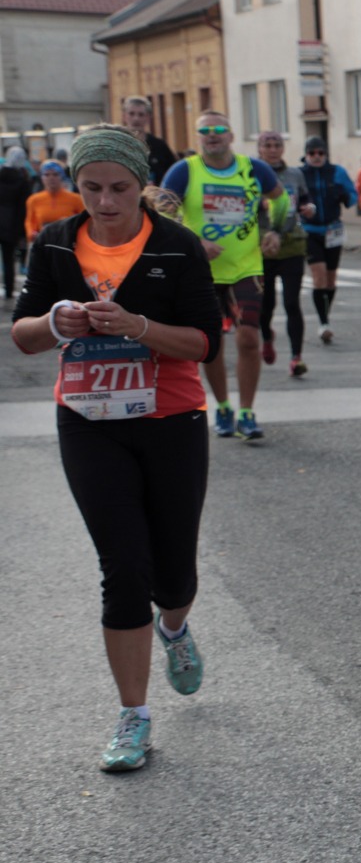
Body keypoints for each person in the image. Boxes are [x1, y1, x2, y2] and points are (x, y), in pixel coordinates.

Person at [10, 125, 223, 771]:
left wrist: (139, 326)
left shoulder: (178, 246)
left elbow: (204, 342)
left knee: (174, 574)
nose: (105, 202)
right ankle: (134, 716)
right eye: (92, 187)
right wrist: (55, 323)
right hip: (88, 420)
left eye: (120, 189)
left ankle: (174, 627)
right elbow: (22, 334)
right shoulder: (53, 242)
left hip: (171, 418)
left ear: (141, 186)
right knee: (123, 567)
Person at [161, 111, 280, 441]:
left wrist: (276, 231)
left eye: (218, 129)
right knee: (210, 345)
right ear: (198, 137)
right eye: (205, 130)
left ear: (231, 135)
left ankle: (247, 413)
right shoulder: (184, 171)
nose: (212, 134)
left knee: (249, 339)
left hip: (246, 267)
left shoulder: (255, 169)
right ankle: (223, 406)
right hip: (202, 273)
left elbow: (282, 199)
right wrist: (195, 243)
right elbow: (160, 215)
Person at [254, 132, 310, 378]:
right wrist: (261, 204)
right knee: (266, 305)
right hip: (263, 248)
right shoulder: (250, 174)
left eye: (277, 145)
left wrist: (308, 208)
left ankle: (296, 357)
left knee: (291, 303)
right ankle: (267, 337)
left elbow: (305, 199)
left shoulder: (295, 174)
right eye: (267, 145)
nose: (273, 149)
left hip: (292, 245)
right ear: (259, 149)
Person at [293, 137, 356, 347]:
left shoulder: (337, 172)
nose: (317, 157)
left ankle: (325, 314)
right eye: (312, 153)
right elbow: (290, 197)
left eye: (320, 153)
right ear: (306, 155)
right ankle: (323, 323)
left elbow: (353, 196)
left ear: (326, 154)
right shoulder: (300, 174)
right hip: (309, 231)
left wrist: (344, 195)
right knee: (318, 276)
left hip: (333, 230)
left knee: (330, 280)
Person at [121, 95, 177, 184]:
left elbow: (173, 174)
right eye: (131, 114)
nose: (136, 118)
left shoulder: (160, 146)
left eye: (141, 114)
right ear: (124, 116)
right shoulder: (117, 145)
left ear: (148, 118)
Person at [0, 147, 31, 303]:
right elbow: (24, 208)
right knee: (9, 259)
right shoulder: (22, 180)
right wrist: (22, 232)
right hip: (12, 224)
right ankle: (9, 289)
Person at [26, 161, 84, 243]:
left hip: (67, 242)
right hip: (43, 241)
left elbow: (84, 221)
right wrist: (31, 233)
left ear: (62, 176)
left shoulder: (76, 199)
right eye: (47, 175)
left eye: (55, 174)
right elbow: (30, 221)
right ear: (42, 177)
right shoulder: (34, 200)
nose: (51, 178)